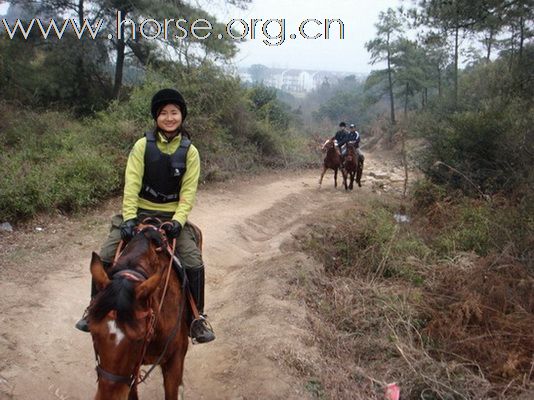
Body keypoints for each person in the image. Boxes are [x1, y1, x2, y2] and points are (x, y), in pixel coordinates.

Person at [75, 88, 215, 344]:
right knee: (106, 254)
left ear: (182, 116)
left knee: (193, 260)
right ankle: (94, 306)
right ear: (156, 117)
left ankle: (196, 318)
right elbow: (131, 183)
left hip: (171, 216)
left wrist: (178, 221)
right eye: (164, 113)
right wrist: (129, 218)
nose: (170, 118)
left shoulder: (190, 152)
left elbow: (188, 191)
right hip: (139, 211)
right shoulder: (142, 146)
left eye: (174, 112)